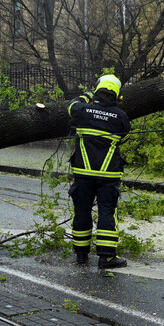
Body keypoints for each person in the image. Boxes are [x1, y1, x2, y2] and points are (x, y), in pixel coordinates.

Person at [67, 74, 130, 269]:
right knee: (107, 212)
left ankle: (81, 255)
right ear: (117, 95)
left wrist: (86, 96)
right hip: (108, 175)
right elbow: (124, 134)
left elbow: (71, 107)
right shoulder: (120, 116)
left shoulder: (82, 109)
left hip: (83, 173)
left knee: (82, 211)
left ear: (97, 89)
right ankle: (107, 257)